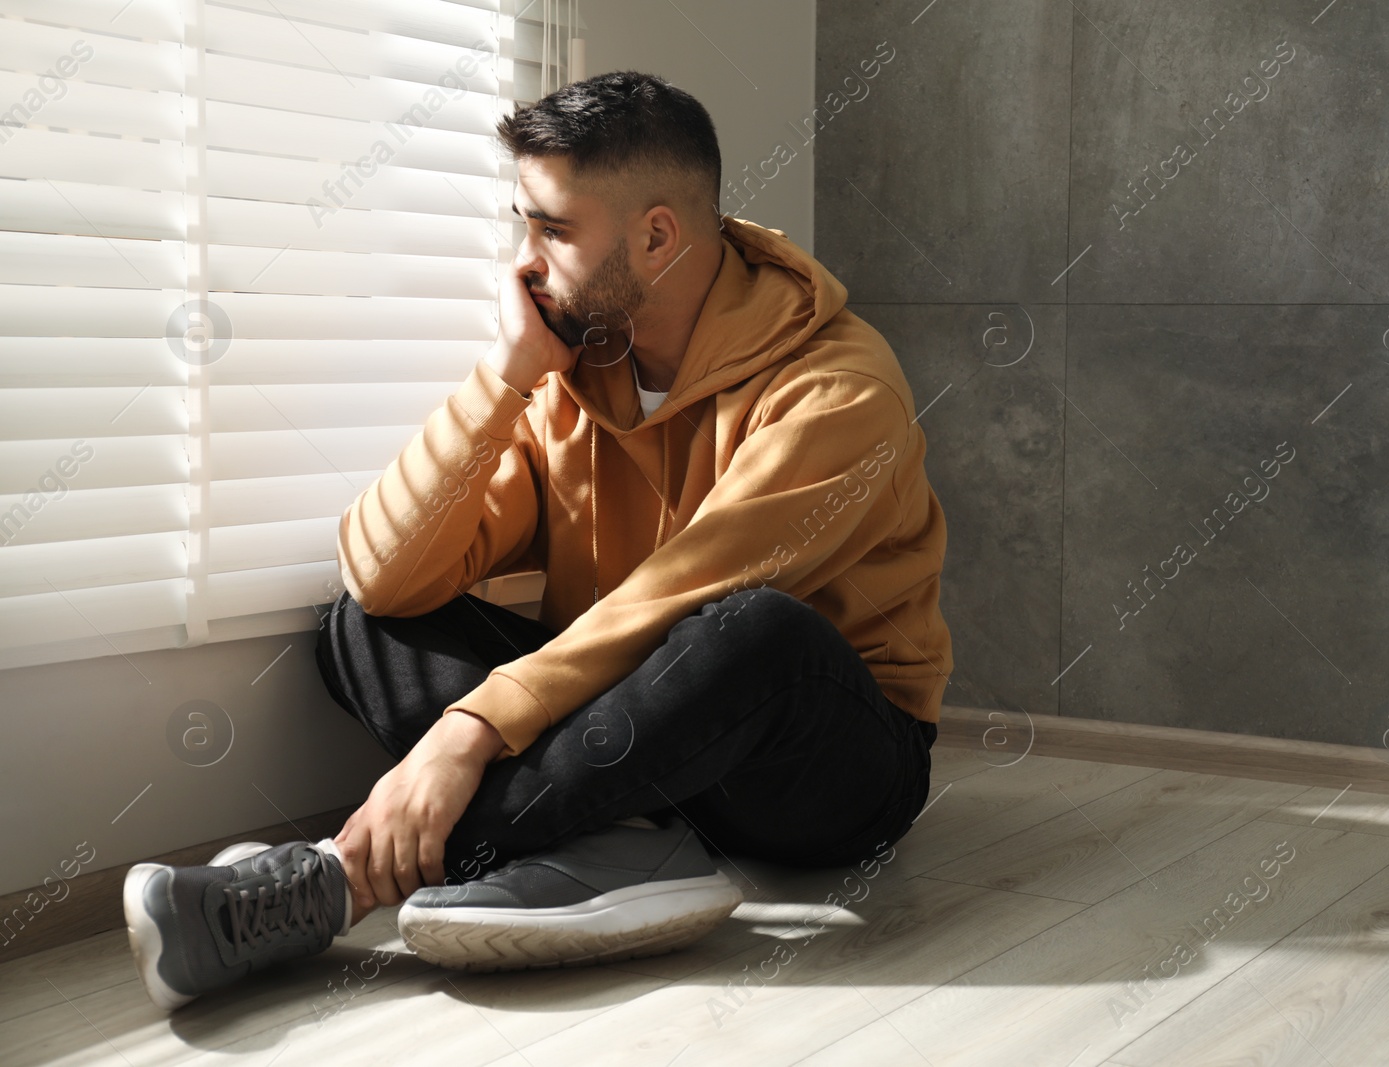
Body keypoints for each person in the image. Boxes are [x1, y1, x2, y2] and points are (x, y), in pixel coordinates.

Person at [122, 69, 952, 1012]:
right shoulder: (573, 366)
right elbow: (389, 575)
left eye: (552, 230)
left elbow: (678, 595)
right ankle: (623, 837)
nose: (525, 261)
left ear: (655, 236)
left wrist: (468, 730)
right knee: (361, 624)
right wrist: (507, 374)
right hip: (622, 729)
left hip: (813, 765)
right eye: (523, 221)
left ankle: (339, 880)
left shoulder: (840, 390)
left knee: (753, 627)